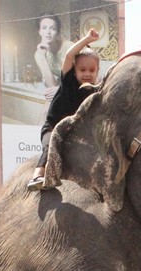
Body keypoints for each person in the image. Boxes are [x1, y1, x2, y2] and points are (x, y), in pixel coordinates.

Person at [27, 28, 102, 190]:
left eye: (91, 70)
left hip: (74, 136)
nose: (87, 74)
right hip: (53, 128)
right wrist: (87, 40)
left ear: (97, 71)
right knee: (51, 146)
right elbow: (69, 55)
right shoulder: (68, 83)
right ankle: (38, 176)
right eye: (82, 70)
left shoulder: (96, 93)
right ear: (74, 71)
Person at [33, 14, 66, 95]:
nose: (48, 32)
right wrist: (42, 57)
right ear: (39, 31)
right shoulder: (39, 54)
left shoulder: (68, 48)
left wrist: (60, 89)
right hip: (61, 89)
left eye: (53, 29)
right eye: (44, 28)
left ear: (57, 32)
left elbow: (82, 77)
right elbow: (51, 85)